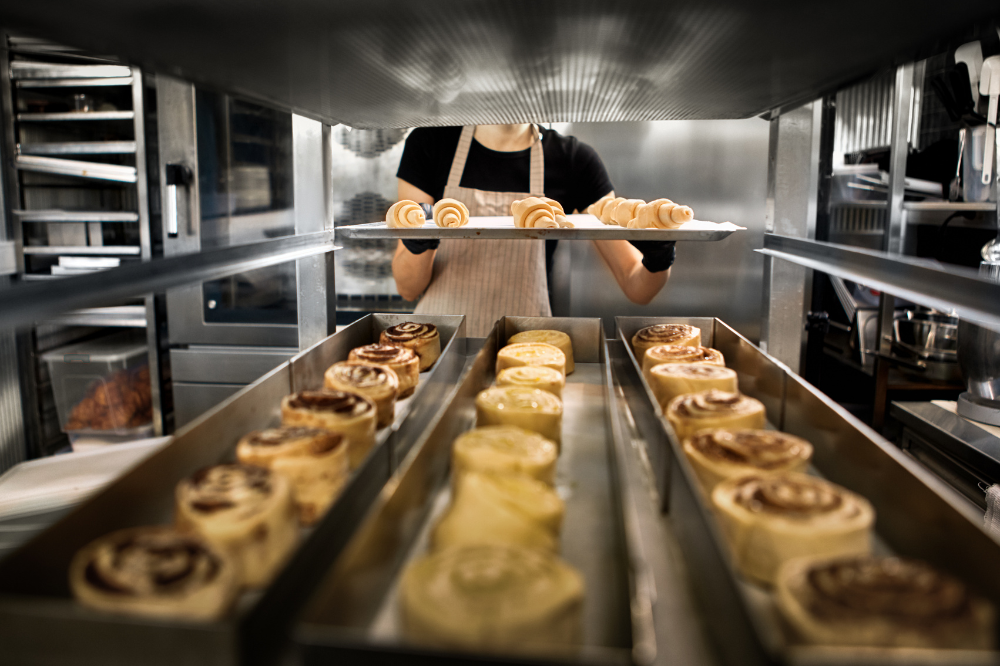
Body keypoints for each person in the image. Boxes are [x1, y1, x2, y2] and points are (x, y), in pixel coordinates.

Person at [392, 123, 676, 336]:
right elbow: (407, 287)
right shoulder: (430, 143)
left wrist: (659, 256)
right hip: (439, 341)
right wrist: (419, 242)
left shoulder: (573, 159)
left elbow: (636, 286)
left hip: (528, 347)